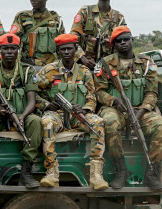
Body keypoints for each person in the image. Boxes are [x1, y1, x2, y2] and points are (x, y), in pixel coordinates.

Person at [94, 26, 162, 190]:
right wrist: (114, 101)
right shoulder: (105, 64)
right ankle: (121, 170)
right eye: (118, 41)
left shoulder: (146, 63)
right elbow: (99, 92)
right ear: (114, 45)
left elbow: (152, 92)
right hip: (116, 109)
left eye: (126, 39)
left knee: (161, 126)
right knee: (110, 121)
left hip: (140, 110)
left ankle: (152, 173)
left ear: (132, 40)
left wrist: (141, 111)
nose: (123, 43)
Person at [35, 34, 108, 190]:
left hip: (77, 115)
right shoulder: (49, 70)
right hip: (57, 114)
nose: (66, 52)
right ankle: (51, 172)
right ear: (58, 52)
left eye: (69, 49)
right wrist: (47, 105)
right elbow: (32, 93)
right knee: (46, 123)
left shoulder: (85, 72)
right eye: (63, 49)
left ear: (76, 50)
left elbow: (91, 96)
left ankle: (96, 175)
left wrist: (86, 109)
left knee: (98, 123)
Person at [0, 33, 43, 188]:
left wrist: (22, 116)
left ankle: (26, 172)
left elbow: (32, 100)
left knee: (36, 121)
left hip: (22, 113)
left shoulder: (27, 71)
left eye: (13, 48)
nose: (10, 52)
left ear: (18, 50)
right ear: (0, 50)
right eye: (6, 49)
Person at [70, 0, 126, 70]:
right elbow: (73, 37)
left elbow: (123, 41)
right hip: (84, 65)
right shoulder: (86, 12)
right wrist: (82, 57)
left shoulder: (118, 17)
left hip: (109, 66)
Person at [10, 0, 66, 66]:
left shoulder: (55, 19)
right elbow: (11, 39)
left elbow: (64, 41)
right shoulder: (23, 17)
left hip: (51, 66)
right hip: (27, 64)